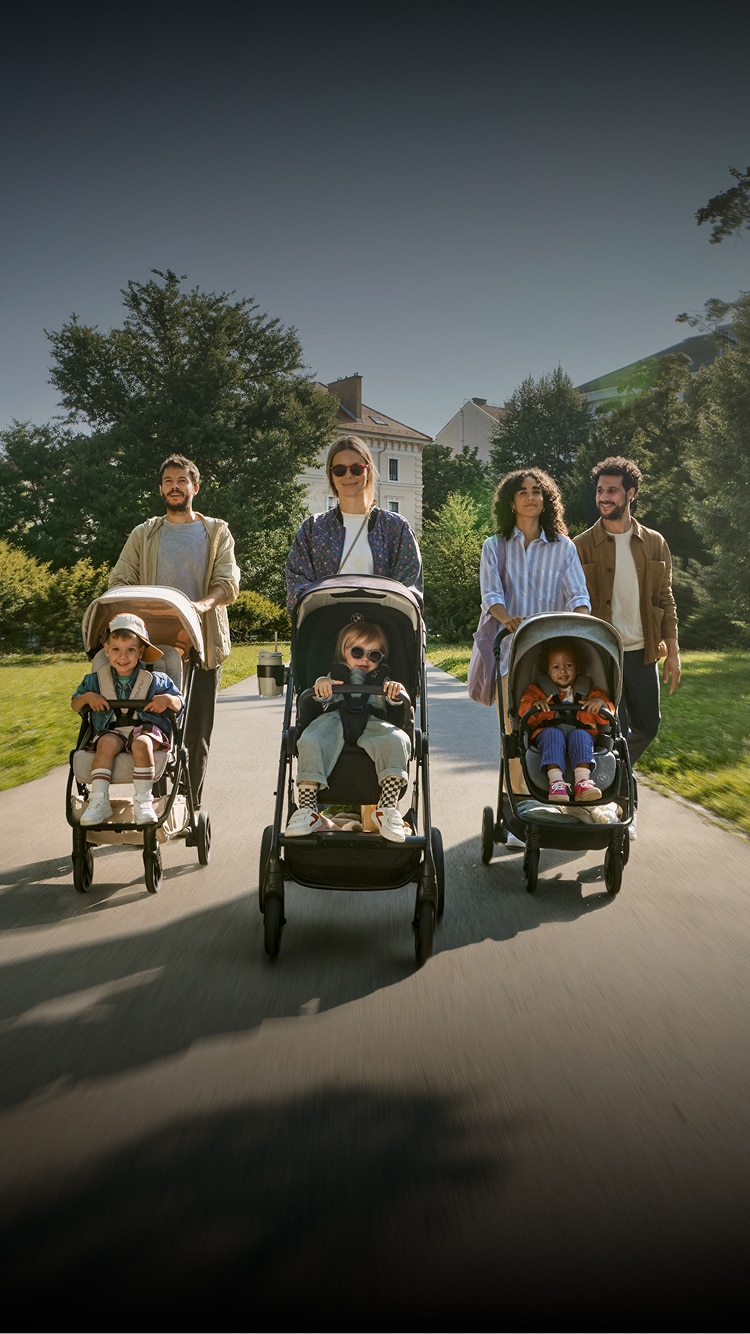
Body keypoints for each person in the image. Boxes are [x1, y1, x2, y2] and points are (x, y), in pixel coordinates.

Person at [108, 454, 240, 810]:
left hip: (202, 643)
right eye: (168, 481)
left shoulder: (216, 531)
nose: (175, 487)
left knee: (197, 731)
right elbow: (120, 578)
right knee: (152, 723)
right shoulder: (145, 533)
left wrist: (201, 605)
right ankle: (156, 800)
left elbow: (227, 581)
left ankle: (191, 803)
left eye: (182, 481)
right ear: (161, 489)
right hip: (155, 646)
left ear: (195, 487)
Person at [573, 456, 681, 836]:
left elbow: (665, 597)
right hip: (602, 654)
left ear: (631, 493)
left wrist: (673, 650)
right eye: (600, 490)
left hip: (643, 652)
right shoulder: (581, 546)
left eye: (612, 490)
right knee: (609, 730)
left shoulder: (654, 542)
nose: (604, 497)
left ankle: (604, 780)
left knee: (648, 725)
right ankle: (622, 806)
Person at [479, 468, 591, 812]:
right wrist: (507, 620)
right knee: (515, 734)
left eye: (537, 491)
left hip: (553, 653)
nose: (531, 497)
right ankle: (521, 807)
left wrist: (582, 622)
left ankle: (568, 795)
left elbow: (578, 595)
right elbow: (491, 595)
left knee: (562, 724)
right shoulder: (495, 546)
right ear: (512, 502)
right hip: (512, 652)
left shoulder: (563, 547)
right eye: (523, 491)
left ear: (546, 501)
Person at [284, 618, 411, 843]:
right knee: (310, 740)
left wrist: (395, 691)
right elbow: (322, 694)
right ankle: (308, 810)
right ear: (343, 652)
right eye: (357, 652)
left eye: (374, 655)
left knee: (398, 739)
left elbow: (396, 701)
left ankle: (387, 807)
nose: (365, 659)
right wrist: (322, 685)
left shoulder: (384, 679)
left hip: (373, 721)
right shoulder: (332, 675)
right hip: (334, 719)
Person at [285, 435, 423, 613]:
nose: (348, 475)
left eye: (356, 469)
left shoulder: (395, 527)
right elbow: (297, 582)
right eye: (340, 470)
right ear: (331, 475)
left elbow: (408, 587)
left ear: (368, 470)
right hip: (326, 624)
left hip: (382, 625)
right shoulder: (313, 528)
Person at [72, 613, 184, 826]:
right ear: (107, 650)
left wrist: (168, 700)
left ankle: (143, 802)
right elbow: (75, 704)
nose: (123, 657)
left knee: (141, 744)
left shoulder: (157, 680)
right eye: (116, 649)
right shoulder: (95, 681)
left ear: (140, 652)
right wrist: (88, 698)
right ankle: (99, 801)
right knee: (105, 743)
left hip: (146, 730)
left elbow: (180, 703)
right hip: (112, 731)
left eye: (130, 650)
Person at [518, 637, 615, 803]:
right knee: (553, 735)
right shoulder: (537, 691)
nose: (562, 671)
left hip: (581, 734)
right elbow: (523, 710)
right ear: (547, 670)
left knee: (581, 735)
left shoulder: (590, 691)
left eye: (568, 665)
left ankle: (583, 783)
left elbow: (608, 712)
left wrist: (600, 704)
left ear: (578, 668)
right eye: (556, 667)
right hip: (548, 734)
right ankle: (556, 782)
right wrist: (535, 705)